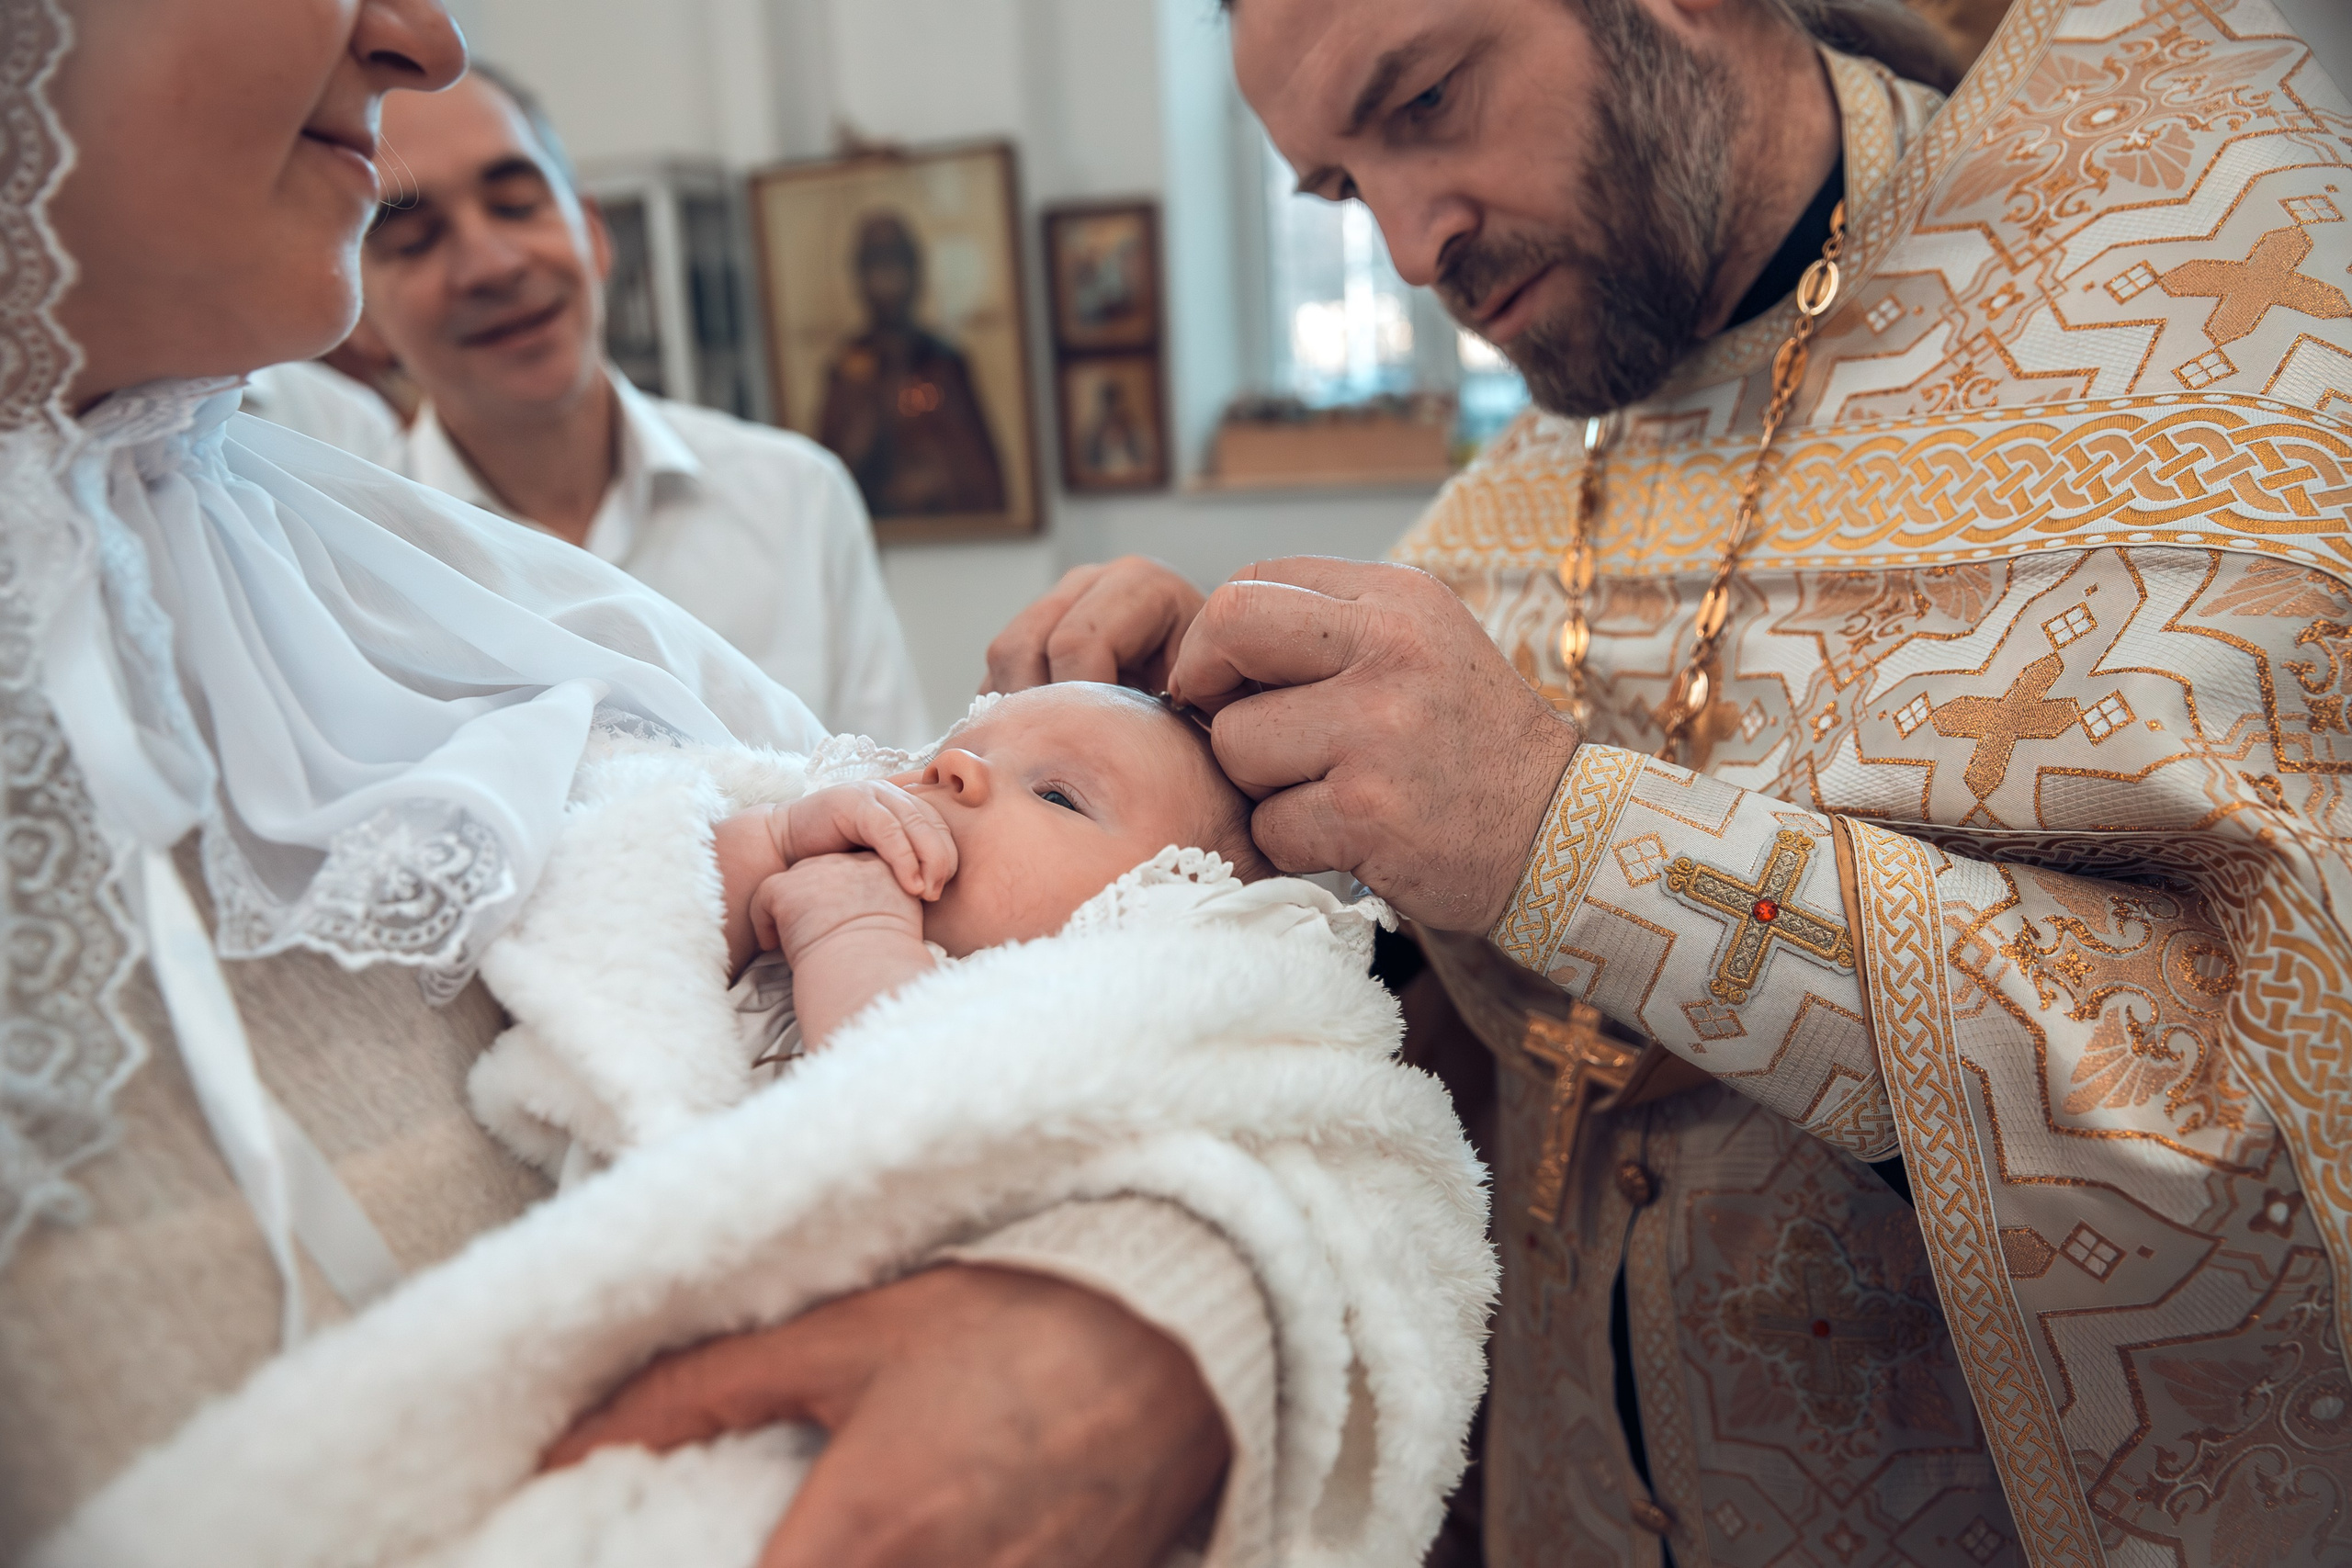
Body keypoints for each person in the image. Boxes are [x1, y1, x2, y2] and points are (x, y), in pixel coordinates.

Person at [0, 4, 1472, 1564]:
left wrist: (1160, 1317)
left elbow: (1293, 1092)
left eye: (515, 194)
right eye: (421, 225)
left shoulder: (406, 577)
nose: (422, 34)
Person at [985, 0, 2352, 1562]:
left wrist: (1566, 839)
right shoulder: (1512, 503)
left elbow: (2275, 1106)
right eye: (1343, 191)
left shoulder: (2222, 347)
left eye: (1428, 100)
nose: (1413, 250)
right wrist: (1175, 747)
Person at [330, 65, 928, 747]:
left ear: (593, 233)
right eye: (414, 238)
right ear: (356, 310)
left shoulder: (795, 499)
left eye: (518, 204)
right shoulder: (349, 573)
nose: (492, 264)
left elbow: (896, 789)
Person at [817, 210, 1011, 519]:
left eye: (895, 265)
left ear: (915, 271)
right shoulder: (848, 368)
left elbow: (980, 473)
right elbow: (829, 475)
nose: (887, 283)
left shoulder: (943, 361)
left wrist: (938, 476)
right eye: (876, 267)